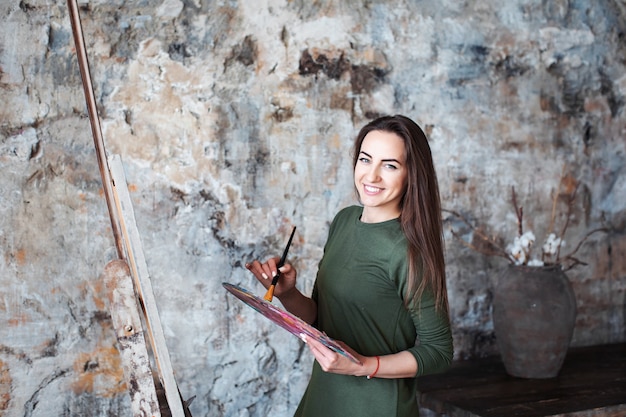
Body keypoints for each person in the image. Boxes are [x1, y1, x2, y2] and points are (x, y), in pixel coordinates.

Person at [245, 114, 453, 416]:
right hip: (324, 396)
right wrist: (287, 293)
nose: (372, 176)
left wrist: (363, 366)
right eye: (366, 160)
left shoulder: (409, 253)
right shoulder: (344, 221)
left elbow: (439, 352)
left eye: (390, 165)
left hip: (376, 405)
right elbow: (322, 320)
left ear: (411, 175)